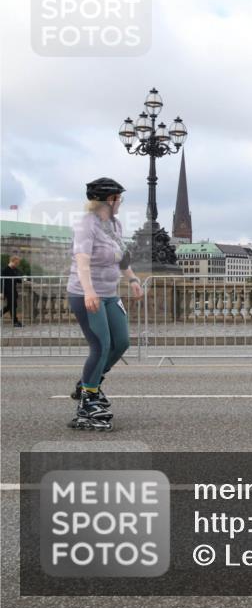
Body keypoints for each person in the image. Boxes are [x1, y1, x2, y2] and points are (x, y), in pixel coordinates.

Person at [65, 177, 143, 431]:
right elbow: (82, 260)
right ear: (110, 200)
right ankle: (88, 400)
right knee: (100, 345)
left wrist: (132, 279)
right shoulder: (86, 225)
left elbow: (121, 257)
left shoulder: (114, 224)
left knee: (121, 342)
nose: (121, 202)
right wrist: (89, 292)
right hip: (86, 293)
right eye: (119, 198)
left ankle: (88, 382)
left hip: (110, 294)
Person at [2, 255, 24, 327]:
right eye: (16, 263)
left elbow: (18, 279)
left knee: (11, 306)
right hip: (7, 291)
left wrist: (24, 279)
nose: (17, 265)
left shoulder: (14, 270)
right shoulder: (5, 270)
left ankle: (15, 322)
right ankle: (15, 322)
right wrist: (1, 292)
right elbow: (1, 282)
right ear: (12, 261)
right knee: (12, 306)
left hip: (13, 291)